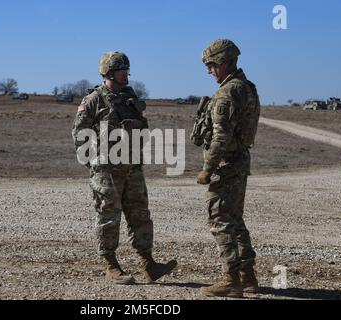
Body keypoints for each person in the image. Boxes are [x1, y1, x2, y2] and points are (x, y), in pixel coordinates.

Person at [72, 51, 177, 285]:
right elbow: (79, 134)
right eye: (122, 70)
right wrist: (95, 164)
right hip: (106, 170)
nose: (127, 74)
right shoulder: (94, 99)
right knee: (109, 216)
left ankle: (149, 263)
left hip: (132, 167)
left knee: (140, 215)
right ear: (109, 72)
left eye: (127, 70)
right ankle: (110, 265)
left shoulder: (130, 97)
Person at [194, 39, 261, 297]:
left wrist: (207, 168)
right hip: (240, 161)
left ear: (223, 63)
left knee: (220, 219)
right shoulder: (247, 88)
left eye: (211, 65)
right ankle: (248, 277)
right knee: (235, 219)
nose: (209, 71)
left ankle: (231, 279)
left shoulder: (227, 92)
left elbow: (220, 136)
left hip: (225, 164)